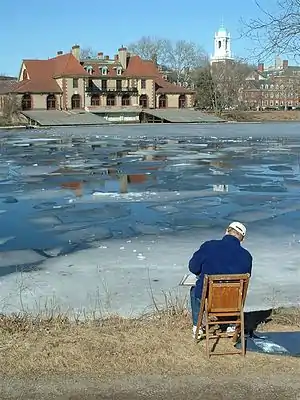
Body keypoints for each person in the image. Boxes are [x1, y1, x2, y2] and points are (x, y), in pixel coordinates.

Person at [188, 221, 252, 338]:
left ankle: (197, 327)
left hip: (210, 294)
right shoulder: (246, 256)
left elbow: (193, 267)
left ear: (226, 231)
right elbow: (246, 279)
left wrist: (201, 273)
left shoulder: (209, 246)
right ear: (242, 239)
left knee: (195, 291)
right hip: (231, 300)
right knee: (235, 291)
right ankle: (232, 325)